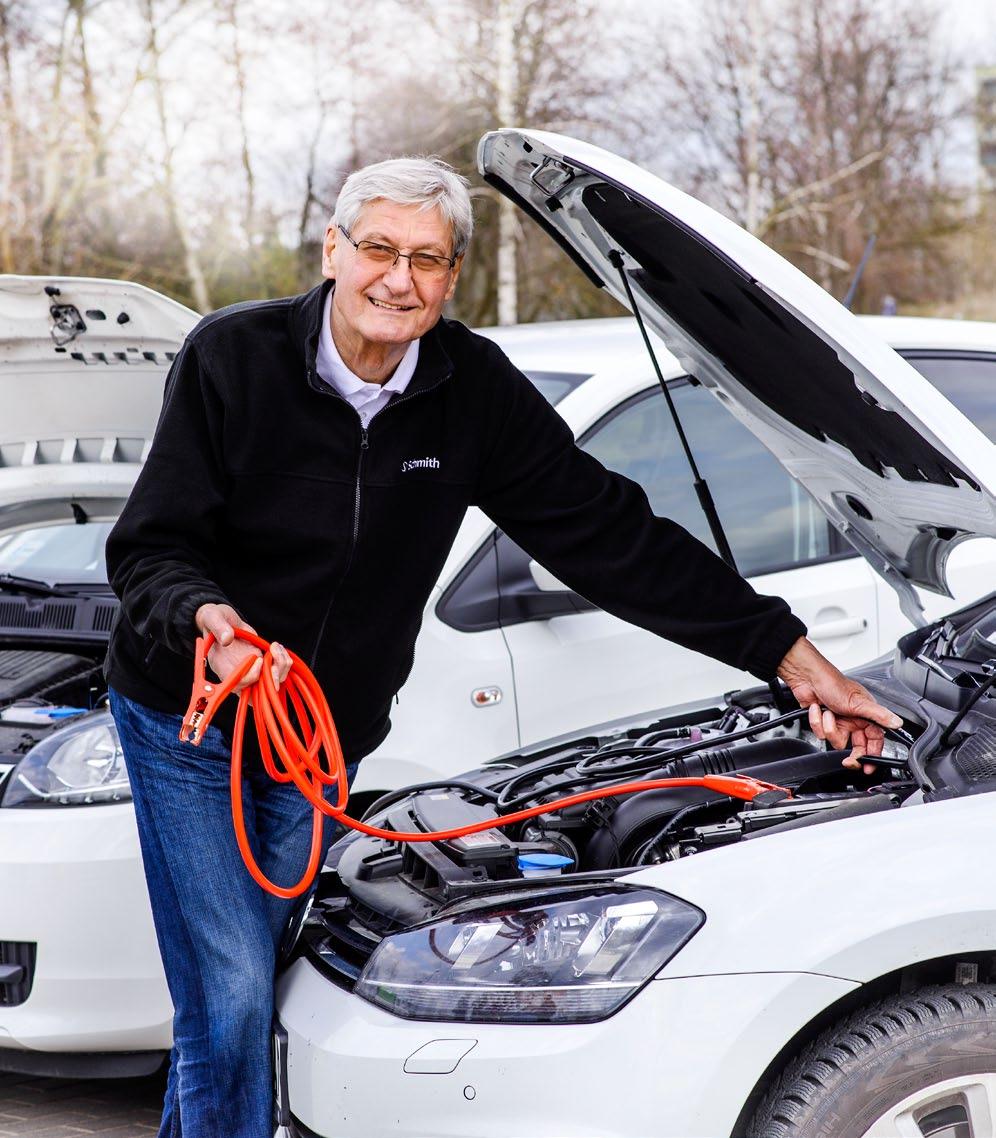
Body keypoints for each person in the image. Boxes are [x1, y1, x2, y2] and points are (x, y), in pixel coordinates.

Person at [104, 156, 901, 1138]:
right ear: (333, 251)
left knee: (242, 992)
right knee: (226, 992)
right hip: (191, 714)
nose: (400, 279)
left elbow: (609, 535)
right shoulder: (234, 358)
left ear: (453, 276)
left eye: (428, 260)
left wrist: (790, 654)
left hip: (321, 734)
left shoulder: (467, 388)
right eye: (381, 250)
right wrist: (206, 623)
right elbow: (149, 547)